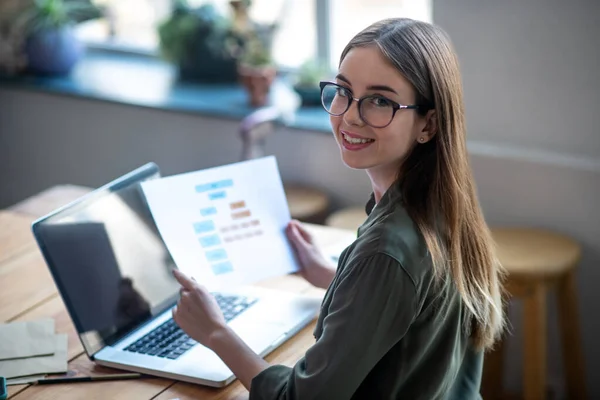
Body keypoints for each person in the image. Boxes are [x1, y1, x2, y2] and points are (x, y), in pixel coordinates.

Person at [171, 17, 505, 400]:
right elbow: (413, 308)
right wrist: (333, 276)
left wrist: (217, 333)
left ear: (428, 124)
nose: (349, 115)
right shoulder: (445, 205)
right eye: (343, 91)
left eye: (380, 100)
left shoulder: (387, 250)